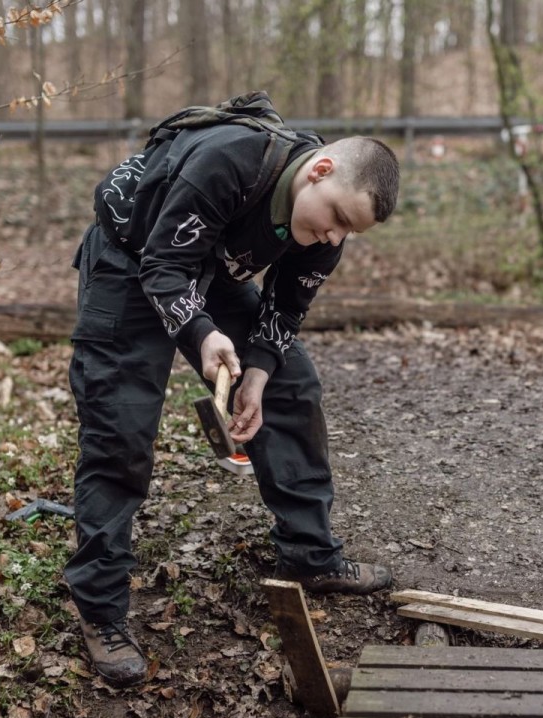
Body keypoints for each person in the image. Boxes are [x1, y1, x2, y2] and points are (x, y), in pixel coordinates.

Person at [64, 93, 401, 687]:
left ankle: (309, 555)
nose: (334, 238)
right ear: (319, 170)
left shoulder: (324, 226)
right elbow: (164, 269)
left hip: (210, 265)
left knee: (294, 387)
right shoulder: (230, 160)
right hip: (134, 257)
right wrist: (202, 335)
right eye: (339, 219)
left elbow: (286, 305)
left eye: (349, 231)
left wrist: (261, 372)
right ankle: (101, 608)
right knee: (121, 427)